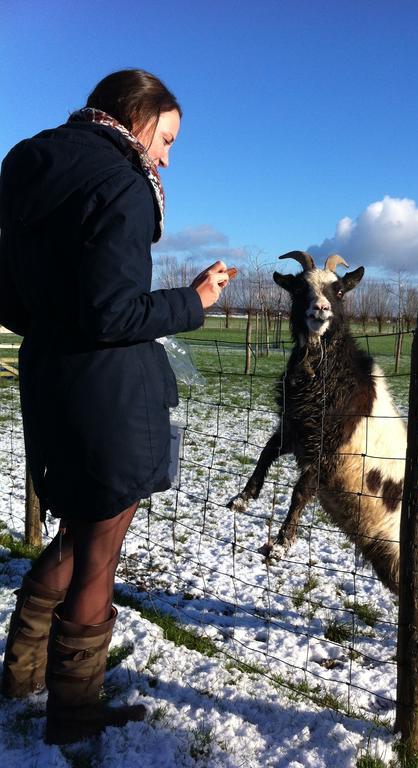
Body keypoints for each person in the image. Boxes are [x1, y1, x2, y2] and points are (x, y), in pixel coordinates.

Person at [0, 69, 230, 744]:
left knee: (77, 534)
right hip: (107, 396)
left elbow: (11, 300)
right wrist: (195, 301)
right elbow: (114, 310)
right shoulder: (122, 185)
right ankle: (74, 717)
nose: (165, 156)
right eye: (165, 138)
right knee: (98, 555)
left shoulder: (29, 172)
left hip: (50, 384)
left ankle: (20, 673)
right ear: (136, 117)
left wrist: (57, 324)